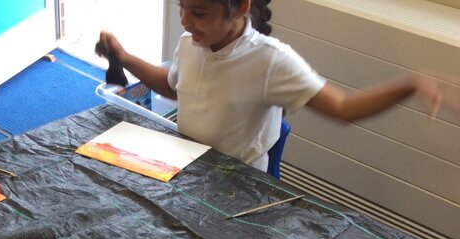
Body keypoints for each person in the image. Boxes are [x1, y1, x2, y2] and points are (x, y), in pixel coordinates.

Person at [97, 0, 458, 173]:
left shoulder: (271, 61)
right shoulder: (191, 43)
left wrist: (409, 84)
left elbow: (343, 108)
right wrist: (124, 56)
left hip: (237, 184)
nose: (185, 21)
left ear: (239, 8)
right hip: (188, 167)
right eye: (181, 6)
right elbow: (175, 87)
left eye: (199, 12)